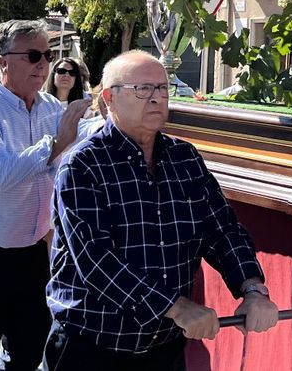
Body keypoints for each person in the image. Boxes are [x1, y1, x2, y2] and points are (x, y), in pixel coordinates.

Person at [46, 50, 277, 369]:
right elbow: (96, 260)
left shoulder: (185, 158)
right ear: (110, 98)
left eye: (162, 88)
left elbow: (222, 231)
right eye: (143, 89)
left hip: (163, 347)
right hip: (92, 344)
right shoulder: (83, 165)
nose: (156, 98)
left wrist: (251, 288)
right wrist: (176, 307)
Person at [0, 21, 91, 370]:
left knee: (28, 354)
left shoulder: (52, 108)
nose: (44, 65)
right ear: (3, 61)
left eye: (49, 56)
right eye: (34, 55)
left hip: (30, 253)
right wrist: (55, 144)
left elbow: (88, 135)